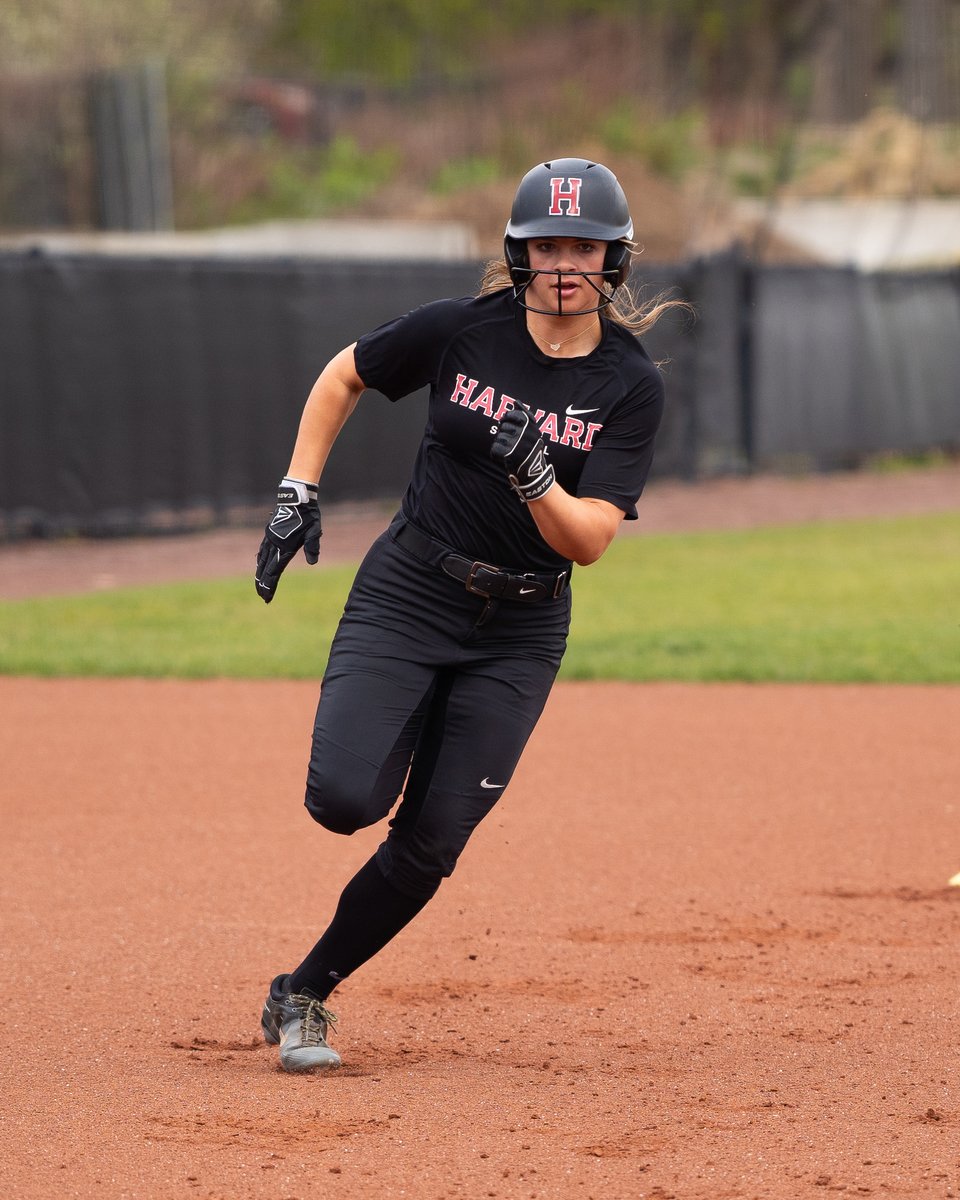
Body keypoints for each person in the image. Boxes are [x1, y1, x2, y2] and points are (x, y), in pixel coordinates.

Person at [254, 157, 685, 1072]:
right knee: (344, 801)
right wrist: (299, 486)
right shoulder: (461, 333)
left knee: (430, 842)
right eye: (547, 245)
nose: (565, 263)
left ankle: (304, 994)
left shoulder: (630, 384)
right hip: (412, 588)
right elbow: (344, 375)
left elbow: (590, 540)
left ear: (615, 259)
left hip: (522, 629)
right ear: (516, 254)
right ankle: (397, 735)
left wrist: (534, 474)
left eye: (584, 246)